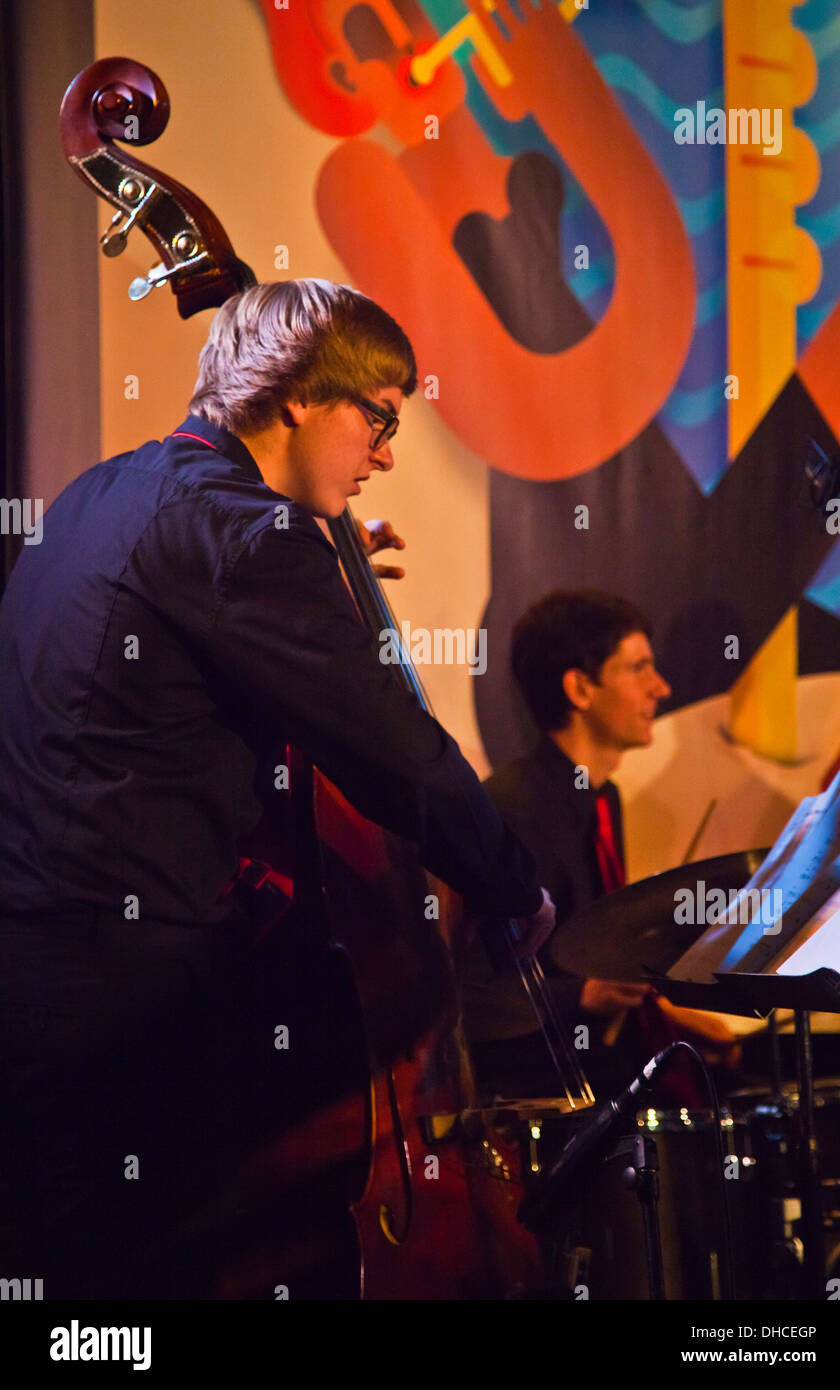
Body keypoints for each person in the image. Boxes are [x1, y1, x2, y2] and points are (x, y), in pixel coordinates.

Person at [0, 279, 555, 1299]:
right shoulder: (248, 538)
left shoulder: (97, 495)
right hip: (134, 1001)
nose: (384, 451)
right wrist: (514, 885)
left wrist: (318, 594)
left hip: (35, 975)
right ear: (299, 396)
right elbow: (395, 753)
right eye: (378, 416)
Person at [463, 589, 673, 1101]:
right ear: (580, 688)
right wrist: (581, 995)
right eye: (639, 669)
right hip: (534, 1096)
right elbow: (467, 991)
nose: (661, 688)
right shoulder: (508, 807)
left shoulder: (606, 799)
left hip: (600, 1076)